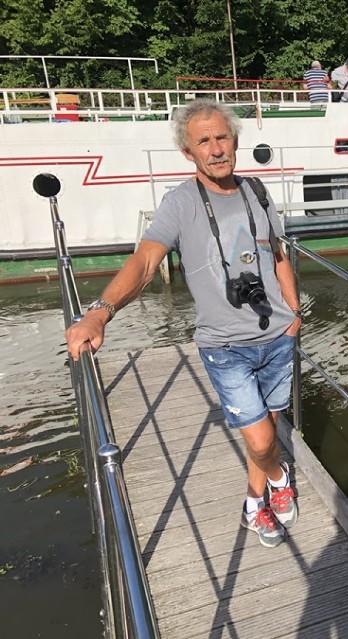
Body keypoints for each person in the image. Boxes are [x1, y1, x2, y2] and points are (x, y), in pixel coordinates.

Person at [65, 100, 301, 548]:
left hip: (277, 338)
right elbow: (146, 261)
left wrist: (294, 312)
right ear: (188, 153)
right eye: (203, 141)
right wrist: (100, 310)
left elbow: (278, 255)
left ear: (235, 141)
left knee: (265, 431)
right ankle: (278, 476)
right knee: (263, 439)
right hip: (225, 347)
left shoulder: (258, 192)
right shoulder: (180, 203)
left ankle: (255, 506)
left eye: (222, 138)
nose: (216, 149)